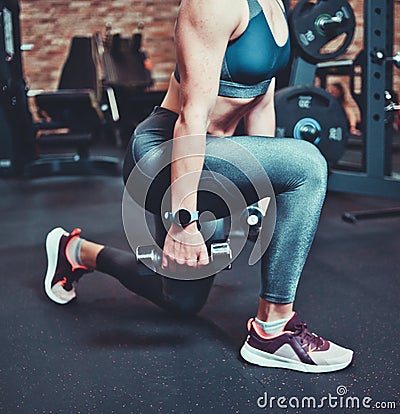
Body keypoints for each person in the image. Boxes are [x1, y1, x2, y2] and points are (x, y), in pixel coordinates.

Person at [44, 0, 353, 373]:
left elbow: (261, 102)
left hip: (218, 161)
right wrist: (183, 220)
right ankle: (272, 330)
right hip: (166, 156)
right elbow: (191, 117)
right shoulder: (214, 4)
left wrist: (261, 202)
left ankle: (76, 251)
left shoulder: (275, 5)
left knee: (181, 299)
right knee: (307, 164)